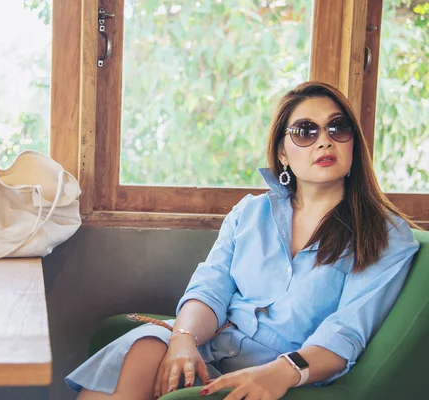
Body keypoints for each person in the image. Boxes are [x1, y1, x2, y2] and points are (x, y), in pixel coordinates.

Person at [65, 81, 421, 400]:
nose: (324, 140)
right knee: (142, 349)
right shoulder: (251, 213)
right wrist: (183, 338)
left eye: (337, 127)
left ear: (353, 142)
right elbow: (211, 289)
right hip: (212, 347)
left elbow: (346, 332)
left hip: (286, 373)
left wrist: (283, 372)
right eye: (304, 131)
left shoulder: (386, 236)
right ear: (283, 152)